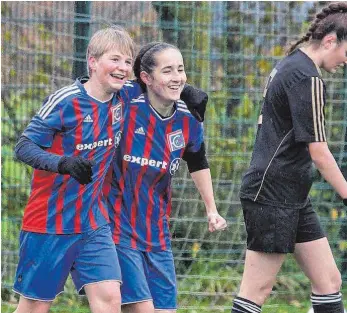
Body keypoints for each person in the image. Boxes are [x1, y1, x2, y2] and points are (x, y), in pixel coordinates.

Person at [232, 3, 347, 313]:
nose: (346, 61)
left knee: (328, 281)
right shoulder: (307, 77)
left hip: (291, 195)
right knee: (256, 290)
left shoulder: (291, 64)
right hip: (273, 195)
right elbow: (319, 153)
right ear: (330, 40)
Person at [12, 26, 136, 313]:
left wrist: (186, 91)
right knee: (34, 307)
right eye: (115, 59)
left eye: (128, 62)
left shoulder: (124, 97)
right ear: (92, 62)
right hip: (49, 222)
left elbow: (154, 78)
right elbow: (23, 146)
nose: (123, 68)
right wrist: (63, 164)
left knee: (109, 297)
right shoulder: (66, 101)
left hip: (92, 221)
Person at [103, 42, 228, 313]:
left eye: (181, 70)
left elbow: (197, 159)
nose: (178, 77)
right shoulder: (125, 102)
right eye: (168, 71)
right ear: (146, 78)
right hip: (116, 229)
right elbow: (100, 85)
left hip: (157, 234)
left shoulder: (188, 118)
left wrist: (211, 209)